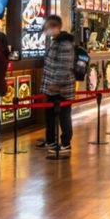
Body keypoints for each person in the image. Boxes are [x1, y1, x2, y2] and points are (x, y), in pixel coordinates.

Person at [38, 14, 75, 153]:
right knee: (50, 115)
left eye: (47, 27)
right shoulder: (56, 42)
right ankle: (51, 141)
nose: (46, 30)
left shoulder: (64, 44)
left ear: (56, 27)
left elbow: (64, 67)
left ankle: (65, 143)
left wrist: (57, 84)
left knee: (64, 116)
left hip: (62, 90)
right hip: (52, 88)